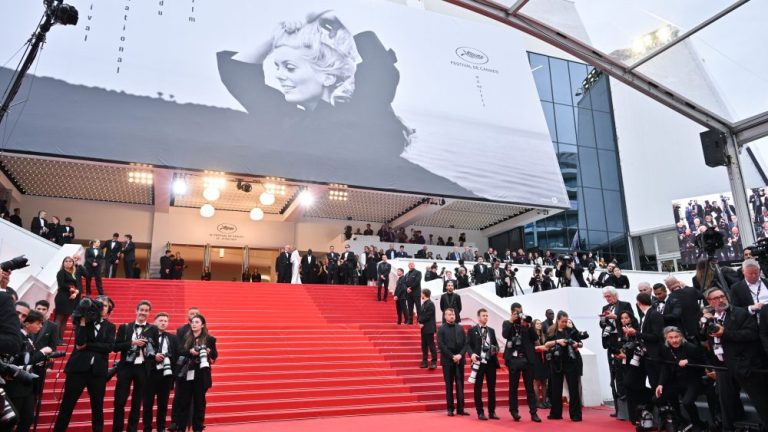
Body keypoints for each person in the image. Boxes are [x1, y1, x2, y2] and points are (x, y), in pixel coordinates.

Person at [704, 287, 768, 428]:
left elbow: (751, 335)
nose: (721, 300)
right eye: (716, 298)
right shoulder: (711, 318)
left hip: (745, 366)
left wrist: (725, 333)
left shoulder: (740, 313)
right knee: (727, 404)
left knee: (761, 402)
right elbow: (708, 342)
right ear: (709, 301)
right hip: (723, 367)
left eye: (722, 296)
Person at [53, 296, 116, 432]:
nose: (101, 307)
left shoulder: (110, 327)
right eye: (99, 304)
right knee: (67, 406)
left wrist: (89, 345)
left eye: (104, 306)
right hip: (77, 370)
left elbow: (109, 347)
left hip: (98, 372)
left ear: (108, 310)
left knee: (97, 408)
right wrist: (82, 321)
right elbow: (80, 343)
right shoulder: (83, 321)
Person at [112, 300, 158, 432]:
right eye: (141, 310)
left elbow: (155, 348)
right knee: (119, 401)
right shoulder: (125, 327)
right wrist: (132, 343)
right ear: (136, 311)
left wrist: (146, 347)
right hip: (126, 367)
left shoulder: (153, 329)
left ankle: (132, 429)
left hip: (143, 368)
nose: (143, 312)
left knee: (137, 403)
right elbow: (115, 347)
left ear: (149, 313)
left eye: (146, 310)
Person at [5, 310, 52, 432]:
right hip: (16, 385)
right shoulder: (17, 338)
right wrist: (42, 352)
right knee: (13, 419)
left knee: (28, 418)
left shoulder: (29, 337)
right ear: (27, 323)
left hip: (28, 386)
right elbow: (25, 361)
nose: (40, 326)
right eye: (38, 323)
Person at [654, 326, 707, 430]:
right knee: (657, 398)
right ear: (666, 339)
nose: (674, 340)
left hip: (692, 380)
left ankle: (697, 424)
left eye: (676, 337)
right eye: (671, 338)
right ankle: (681, 420)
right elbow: (665, 368)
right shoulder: (665, 349)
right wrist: (660, 384)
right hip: (676, 381)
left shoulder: (691, 347)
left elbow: (703, 363)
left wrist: (689, 361)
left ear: (681, 337)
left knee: (687, 402)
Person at [173, 314, 218, 432]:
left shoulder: (209, 339)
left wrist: (209, 351)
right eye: (192, 322)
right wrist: (190, 352)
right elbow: (179, 351)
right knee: (184, 401)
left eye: (197, 322)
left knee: (200, 402)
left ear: (202, 325)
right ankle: (181, 427)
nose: (194, 324)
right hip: (186, 372)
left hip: (201, 373)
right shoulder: (184, 337)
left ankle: (198, 427)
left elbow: (214, 356)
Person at [502, 304, 541, 422]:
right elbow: (505, 335)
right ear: (512, 312)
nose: (520, 314)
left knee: (529, 388)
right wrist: (511, 321)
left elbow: (535, 338)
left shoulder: (526, 324)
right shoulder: (507, 323)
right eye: (517, 312)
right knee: (513, 387)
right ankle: (514, 411)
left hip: (527, 360)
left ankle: (534, 413)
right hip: (513, 360)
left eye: (521, 311)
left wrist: (528, 326)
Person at [543, 310, 583, 422]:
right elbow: (546, 345)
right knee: (556, 389)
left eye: (566, 321)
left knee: (573, 389)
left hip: (570, 362)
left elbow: (581, 343)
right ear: (558, 320)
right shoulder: (551, 331)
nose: (565, 323)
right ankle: (556, 413)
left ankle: (575, 415)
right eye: (563, 321)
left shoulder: (571, 331)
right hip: (556, 362)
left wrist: (576, 344)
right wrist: (558, 341)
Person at [143, 312, 180, 432]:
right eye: (161, 320)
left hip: (166, 375)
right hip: (150, 374)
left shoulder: (173, 338)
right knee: (147, 404)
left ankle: (161, 428)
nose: (163, 323)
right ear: (154, 322)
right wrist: (153, 357)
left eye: (165, 321)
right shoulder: (146, 335)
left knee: (163, 405)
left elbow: (176, 357)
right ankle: (147, 428)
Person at [466, 308, 500, 421]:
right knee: (478, 388)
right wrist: (471, 354)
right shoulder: (472, 330)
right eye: (483, 315)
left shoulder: (491, 330)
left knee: (492, 388)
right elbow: (467, 345)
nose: (486, 317)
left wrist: (494, 349)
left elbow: (496, 345)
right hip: (479, 362)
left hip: (490, 362)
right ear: (478, 317)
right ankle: (480, 412)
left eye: (487, 315)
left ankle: (492, 412)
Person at [436, 307, 468, 416]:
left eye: (453, 314)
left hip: (459, 360)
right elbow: (441, 345)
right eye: (449, 314)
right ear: (445, 316)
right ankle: (450, 409)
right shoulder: (441, 329)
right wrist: (452, 356)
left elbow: (466, 344)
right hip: (447, 361)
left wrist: (460, 355)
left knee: (460, 385)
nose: (452, 316)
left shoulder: (460, 328)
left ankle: (461, 409)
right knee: (449, 385)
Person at [55, 256, 82, 341]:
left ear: (73, 263)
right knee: (59, 318)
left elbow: (79, 286)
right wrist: (71, 289)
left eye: (70, 261)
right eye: (66, 261)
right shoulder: (61, 272)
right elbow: (62, 284)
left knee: (65, 319)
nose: (68, 263)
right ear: (63, 263)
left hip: (71, 298)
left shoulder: (74, 274)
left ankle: (61, 339)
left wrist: (76, 292)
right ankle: (55, 339)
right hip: (62, 297)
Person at [531, 319, 550, 409]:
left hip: (544, 360)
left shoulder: (544, 335)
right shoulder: (531, 335)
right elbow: (531, 348)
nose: (539, 325)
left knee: (544, 381)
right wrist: (541, 347)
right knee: (537, 381)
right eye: (537, 324)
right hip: (536, 359)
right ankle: (537, 402)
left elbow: (547, 346)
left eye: (540, 324)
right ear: (533, 325)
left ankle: (544, 401)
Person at [417, 288, 437, 369]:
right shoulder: (424, 304)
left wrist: (420, 321)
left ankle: (434, 362)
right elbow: (420, 315)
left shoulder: (430, 304)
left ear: (424, 294)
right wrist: (419, 322)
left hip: (429, 328)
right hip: (423, 328)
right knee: (424, 345)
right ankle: (424, 362)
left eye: (421, 293)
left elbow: (428, 315)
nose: (420, 295)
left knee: (431, 345)